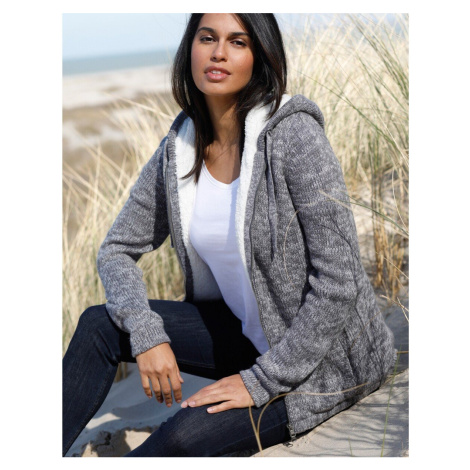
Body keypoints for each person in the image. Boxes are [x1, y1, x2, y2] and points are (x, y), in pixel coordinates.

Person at [62, 13, 396, 457]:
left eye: (238, 42)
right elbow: (116, 250)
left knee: (180, 439)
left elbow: (340, 281)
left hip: (321, 361)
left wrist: (261, 381)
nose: (219, 52)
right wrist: (147, 334)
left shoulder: (293, 135)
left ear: (260, 58)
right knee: (98, 326)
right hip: (244, 335)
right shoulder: (180, 146)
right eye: (208, 38)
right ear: (191, 49)